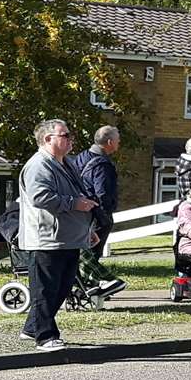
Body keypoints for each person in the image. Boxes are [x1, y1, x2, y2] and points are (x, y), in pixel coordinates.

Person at [17, 119, 97, 352]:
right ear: (47, 139)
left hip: (68, 237)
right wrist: (75, 204)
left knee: (62, 287)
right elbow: (40, 197)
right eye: (65, 135)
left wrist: (87, 230)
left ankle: (32, 327)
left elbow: (79, 195)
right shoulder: (39, 165)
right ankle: (45, 336)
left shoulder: (65, 164)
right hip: (47, 239)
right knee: (46, 288)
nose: (70, 139)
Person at [70, 125, 126, 298]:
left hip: (80, 214)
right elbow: (103, 194)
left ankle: (83, 286)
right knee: (92, 255)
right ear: (109, 142)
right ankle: (94, 289)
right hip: (96, 215)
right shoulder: (103, 165)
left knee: (81, 255)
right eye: (117, 139)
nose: (119, 142)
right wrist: (105, 216)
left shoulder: (79, 158)